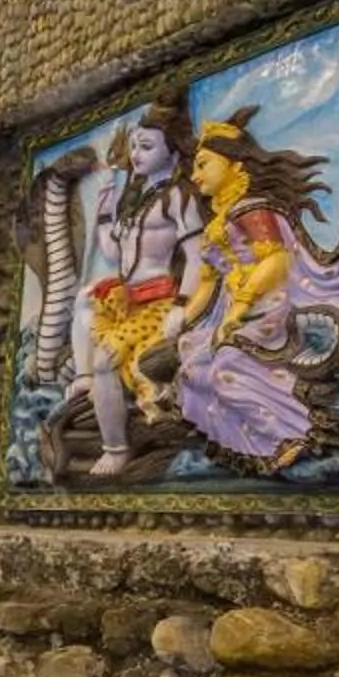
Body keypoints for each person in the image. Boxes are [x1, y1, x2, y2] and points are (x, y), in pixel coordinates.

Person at [172, 106, 339, 476]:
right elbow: (207, 282)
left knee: (225, 365)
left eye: (203, 165)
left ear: (236, 167)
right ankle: (248, 444)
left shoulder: (253, 209)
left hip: (268, 305)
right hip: (234, 308)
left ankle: (296, 432)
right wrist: (180, 323)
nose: (194, 175)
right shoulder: (217, 224)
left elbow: (276, 262)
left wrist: (240, 308)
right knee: (189, 357)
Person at [60, 97, 204, 477]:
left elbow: (197, 255)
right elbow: (112, 251)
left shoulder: (178, 198)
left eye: (147, 146)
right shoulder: (136, 203)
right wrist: (105, 209)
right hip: (126, 299)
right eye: (135, 145)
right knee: (84, 300)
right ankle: (82, 378)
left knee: (107, 360)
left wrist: (183, 304)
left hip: (158, 300)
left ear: (171, 153)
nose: (136, 155)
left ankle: (116, 448)